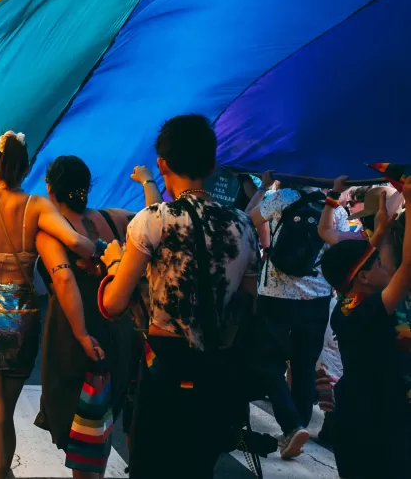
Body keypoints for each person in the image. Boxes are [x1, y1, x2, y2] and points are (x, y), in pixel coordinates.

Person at [0, 46, 95, 479]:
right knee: (4, 418)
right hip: (23, 316)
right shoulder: (36, 207)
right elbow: (75, 242)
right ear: (26, 168)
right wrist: (100, 255)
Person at [99, 114, 261, 478]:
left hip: (164, 368)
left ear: (162, 164)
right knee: (198, 467)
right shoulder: (243, 225)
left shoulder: (153, 220)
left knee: (152, 467)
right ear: (212, 164)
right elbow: (247, 303)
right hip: (218, 371)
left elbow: (113, 304)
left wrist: (114, 264)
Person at [34, 156, 144, 479]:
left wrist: (81, 334)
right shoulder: (113, 219)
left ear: (51, 189)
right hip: (118, 330)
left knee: (82, 436)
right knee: (102, 421)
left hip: (75, 336)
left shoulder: (52, 230)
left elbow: (65, 280)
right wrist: (149, 184)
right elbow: (153, 220)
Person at [247, 170, 349, 458]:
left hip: (276, 295)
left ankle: (292, 426)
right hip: (316, 296)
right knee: (304, 366)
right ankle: (299, 426)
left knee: (269, 363)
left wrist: (265, 189)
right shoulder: (334, 208)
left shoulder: (281, 197)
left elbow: (250, 220)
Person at [317, 177, 411, 478]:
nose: (388, 267)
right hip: (376, 418)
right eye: (380, 266)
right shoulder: (369, 310)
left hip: (357, 412)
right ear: (365, 279)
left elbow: (370, 263)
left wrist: (382, 232)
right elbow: (406, 267)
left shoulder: (349, 305)